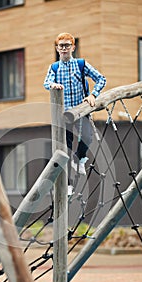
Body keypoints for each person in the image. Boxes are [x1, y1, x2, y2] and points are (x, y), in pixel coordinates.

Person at [44, 32, 106, 195]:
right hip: (64, 114)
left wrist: (93, 95)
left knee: (87, 137)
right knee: (66, 149)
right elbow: (46, 82)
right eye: (61, 46)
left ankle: (79, 159)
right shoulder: (54, 68)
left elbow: (101, 79)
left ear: (73, 47)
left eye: (67, 45)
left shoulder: (81, 64)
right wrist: (53, 85)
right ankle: (69, 185)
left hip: (81, 109)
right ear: (57, 49)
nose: (64, 48)